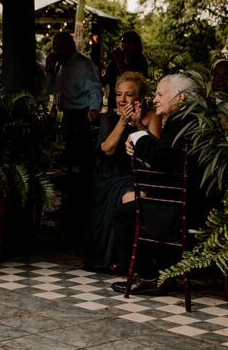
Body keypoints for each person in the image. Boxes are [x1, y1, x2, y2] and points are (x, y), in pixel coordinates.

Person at [111, 74, 217, 295]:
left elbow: (161, 159)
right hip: (188, 200)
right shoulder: (195, 119)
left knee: (124, 214)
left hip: (179, 205)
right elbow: (167, 156)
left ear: (179, 97)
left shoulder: (180, 122)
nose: (155, 99)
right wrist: (139, 136)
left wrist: (139, 136)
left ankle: (148, 276)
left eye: (160, 94)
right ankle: (162, 274)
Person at [83, 72, 161, 272]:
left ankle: (138, 261)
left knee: (141, 197)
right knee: (129, 197)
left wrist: (135, 123)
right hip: (110, 175)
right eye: (119, 94)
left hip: (139, 173)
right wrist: (122, 122)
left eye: (128, 95)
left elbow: (153, 152)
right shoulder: (108, 117)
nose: (122, 100)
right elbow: (107, 149)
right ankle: (118, 258)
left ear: (140, 98)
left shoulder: (151, 116)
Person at [46, 32, 104, 215]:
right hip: (69, 116)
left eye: (60, 47)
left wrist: (94, 110)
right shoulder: (61, 66)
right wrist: (48, 69)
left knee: (79, 164)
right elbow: (51, 89)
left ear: (71, 46)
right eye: (54, 48)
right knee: (68, 163)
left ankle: (79, 208)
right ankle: (69, 206)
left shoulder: (82, 64)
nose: (56, 51)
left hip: (81, 116)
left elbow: (95, 88)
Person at [102, 31, 149, 109]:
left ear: (135, 44)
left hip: (131, 103)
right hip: (114, 102)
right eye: (123, 42)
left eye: (128, 42)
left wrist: (120, 61)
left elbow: (130, 80)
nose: (124, 45)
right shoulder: (117, 59)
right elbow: (107, 78)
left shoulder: (140, 60)